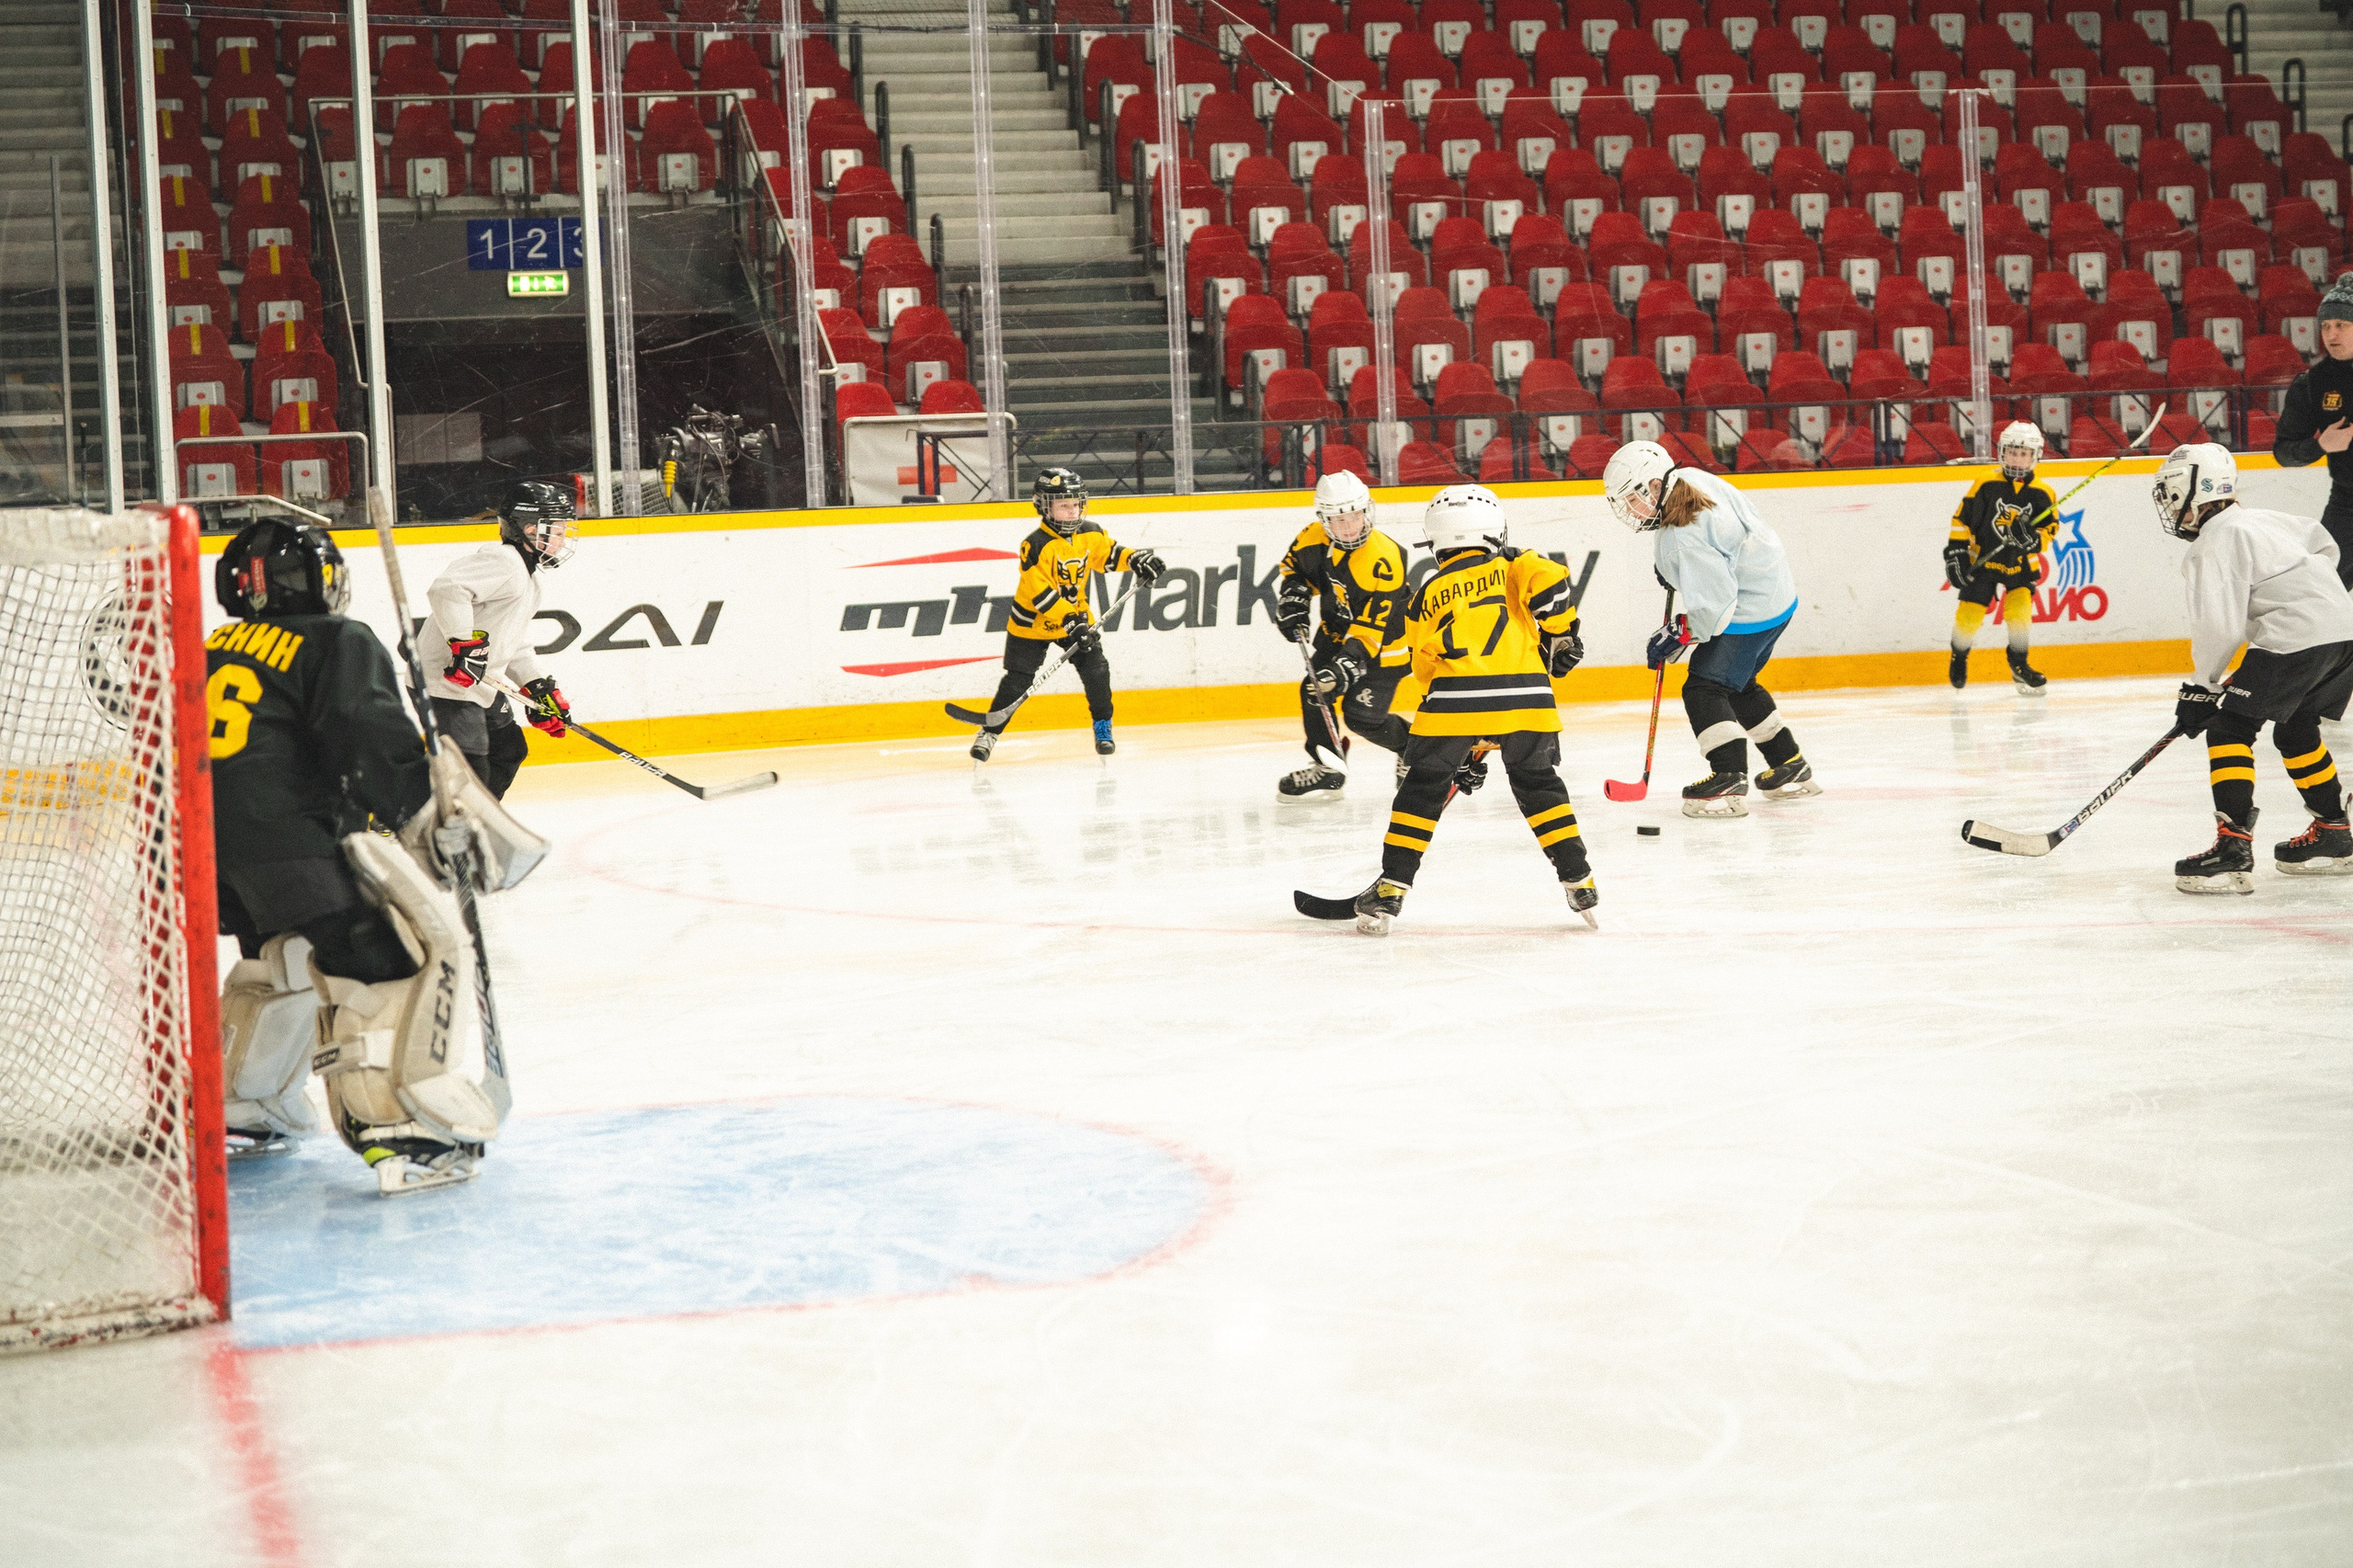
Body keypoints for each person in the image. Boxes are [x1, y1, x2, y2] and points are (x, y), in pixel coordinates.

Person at [207, 517, 510, 1194]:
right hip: (285, 839)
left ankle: (244, 1106)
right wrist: (430, 817)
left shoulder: (211, 649)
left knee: (277, 960)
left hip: (202, 847)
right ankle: (397, 1127)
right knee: (384, 963)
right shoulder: (336, 639)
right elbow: (366, 737)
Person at [1348, 484, 1596, 935]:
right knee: (1539, 785)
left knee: (1421, 790)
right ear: (1495, 531)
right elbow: (1552, 583)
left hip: (1451, 705)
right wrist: (1562, 634)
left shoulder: (1425, 592)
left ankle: (1392, 887)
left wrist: (1459, 748)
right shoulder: (1516, 565)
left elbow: (1424, 668)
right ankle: (1578, 877)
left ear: (1437, 542)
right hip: (1528, 703)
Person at [2154, 443, 2353, 892]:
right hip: (2342, 632)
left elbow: (2218, 627)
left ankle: (2232, 851)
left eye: (2170, 493)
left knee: (2228, 729)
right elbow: (2326, 546)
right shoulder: (2263, 519)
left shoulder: (2215, 541)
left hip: (2297, 636)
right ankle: (2334, 835)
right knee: (2296, 727)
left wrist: (2199, 687)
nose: (2169, 505)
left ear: (2194, 489)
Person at [1602, 440, 1820, 818]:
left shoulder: (1681, 538)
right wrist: (1675, 572)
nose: (1630, 510)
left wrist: (1678, 633)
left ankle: (1729, 778)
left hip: (1749, 609)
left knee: (1704, 687)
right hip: (1776, 596)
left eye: (1633, 498)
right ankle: (1790, 765)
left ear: (1655, 486)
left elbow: (1715, 611)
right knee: (1737, 683)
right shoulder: (1690, 479)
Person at [970, 468, 1165, 762]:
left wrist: (1137, 559)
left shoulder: (1090, 532)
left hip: (1075, 619)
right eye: (1064, 505)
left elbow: (1108, 555)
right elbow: (1042, 594)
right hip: (1032, 624)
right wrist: (1071, 620)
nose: (1073, 512)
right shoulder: (1034, 545)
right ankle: (990, 732)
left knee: (1096, 670)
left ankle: (1103, 725)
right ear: (1044, 507)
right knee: (1017, 681)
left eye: (1076, 504)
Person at [422, 479, 577, 798]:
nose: (562, 541)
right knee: (469, 769)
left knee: (508, 750)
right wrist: (463, 643)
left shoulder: (528, 579)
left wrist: (534, 684)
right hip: (447, 682)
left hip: (478, 683)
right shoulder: (505, 562)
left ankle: (476, 819)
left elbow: (510, 641)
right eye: (557, 532)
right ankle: (415, 814)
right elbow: (447, 589)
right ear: (530, 529)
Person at [1272, 472, 1414, 801]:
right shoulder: (1311, 538)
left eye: (1355, 516)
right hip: (1335, 632)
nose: (1349, 526)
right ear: (1324, 520)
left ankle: (1411, 747)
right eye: (1339, 519)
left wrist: (1341, 670)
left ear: (1368, 512)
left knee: (1362, 718)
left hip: (1384, 646)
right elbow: (1294, 570)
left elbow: (1370, 630)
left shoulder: (1386, 558)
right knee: (1313, 691)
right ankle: (1329, 766)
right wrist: (1294, 598)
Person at [1945, 421, 2059, 693]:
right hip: (1982, 558)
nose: (2016, 458)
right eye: (2011, 452)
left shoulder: (2044, 493)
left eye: (2023, 453)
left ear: (2035, 456)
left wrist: (2032, 540)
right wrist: (1957, 553)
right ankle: (1959, 655)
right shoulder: (1985, 483)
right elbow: (1962, 520)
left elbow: (2049, 530)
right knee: (1969, 616)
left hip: (2020, 562)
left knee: (2019, 614)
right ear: (2002, 452)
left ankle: (2019, 663)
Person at [2269, 272, 2353, 585]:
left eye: (2342, 325)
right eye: (2326, 326)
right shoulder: (2313, 384)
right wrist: (2321, 446)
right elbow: (2284, 453)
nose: (2332, 334)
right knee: (2319, 589)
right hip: (2348, 503)